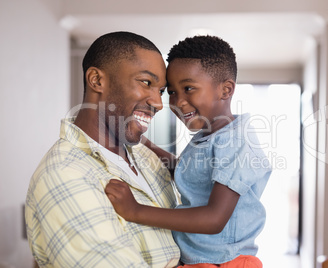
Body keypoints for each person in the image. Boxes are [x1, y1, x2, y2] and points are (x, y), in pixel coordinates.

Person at [105, 35, 271, 267]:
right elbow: (187, 173)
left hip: (225, 262)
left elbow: (214, 219)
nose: (178, 102)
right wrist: (144, 143)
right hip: (201, 260)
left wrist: (135, 211)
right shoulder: (209, 136)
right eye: (171, 92)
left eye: (188, 88)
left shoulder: (236, 142)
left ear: (225, 90)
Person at [25, 31, 181, 268]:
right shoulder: (64, 174)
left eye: (160, 91)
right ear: (97, 80)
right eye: (146, 82)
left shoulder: (144, 156)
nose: (158, 104)